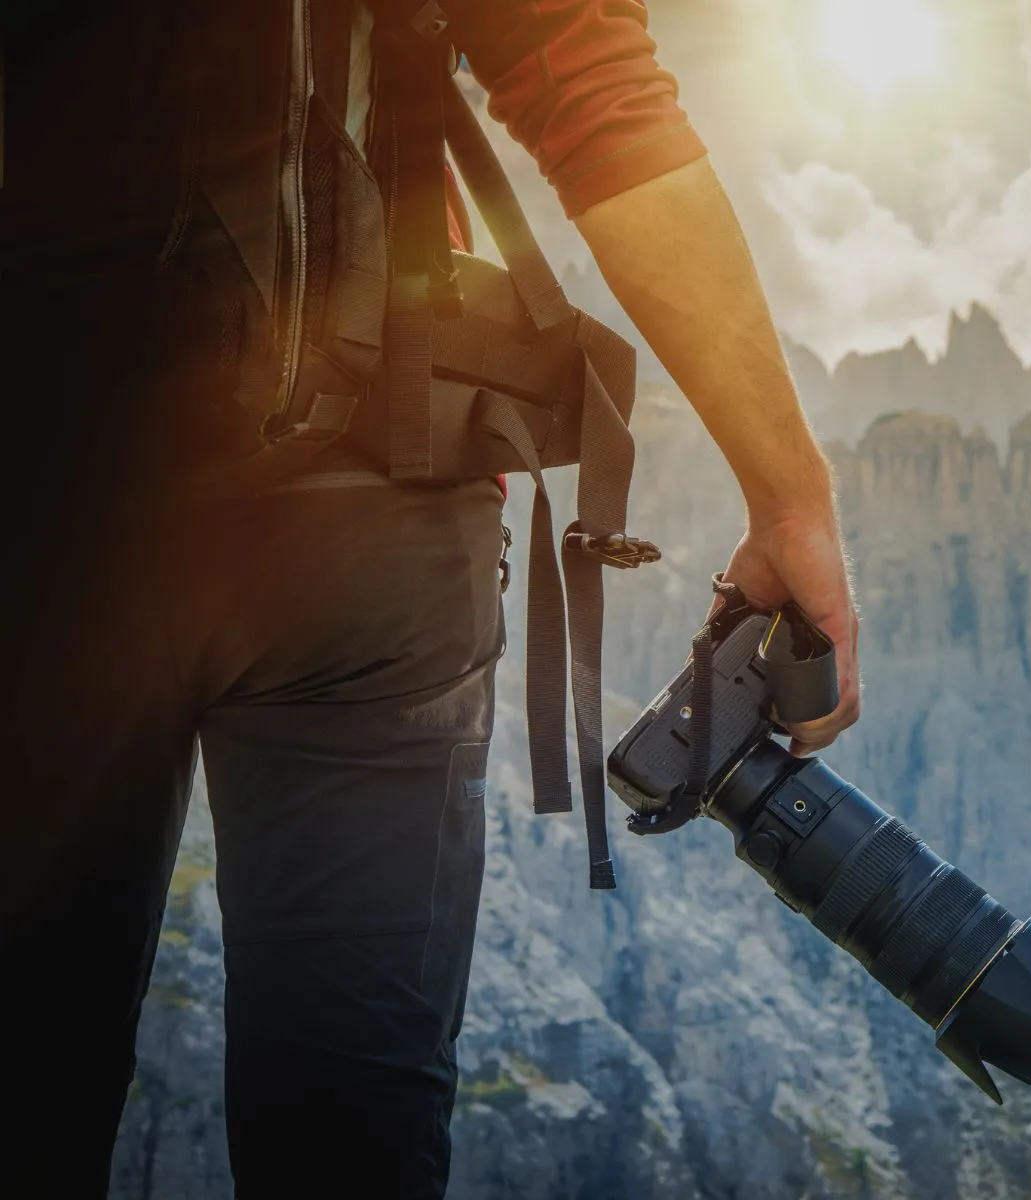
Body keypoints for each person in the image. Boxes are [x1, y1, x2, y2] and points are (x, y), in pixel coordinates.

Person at [0, 1, 860, 1194]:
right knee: (354, 1138)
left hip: (48, 521)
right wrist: (788, 495)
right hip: (370, 493)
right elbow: (587, 85)